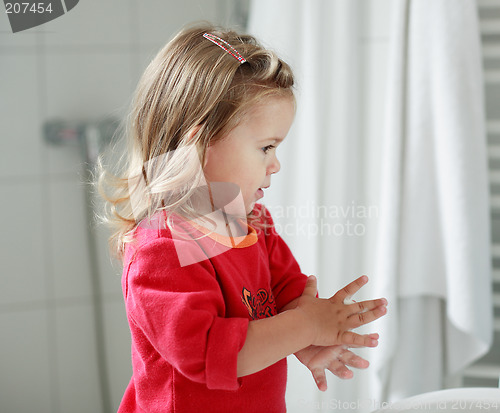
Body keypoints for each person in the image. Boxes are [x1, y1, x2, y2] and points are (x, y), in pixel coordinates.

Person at [98, 23, 388, 413]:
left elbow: (287, 291)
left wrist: (310, 338)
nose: (275, 164)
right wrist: (306, 326)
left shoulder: (250, 221)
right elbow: (208, 353)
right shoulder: (160, 250)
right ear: (199, 144)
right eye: (266, 147)